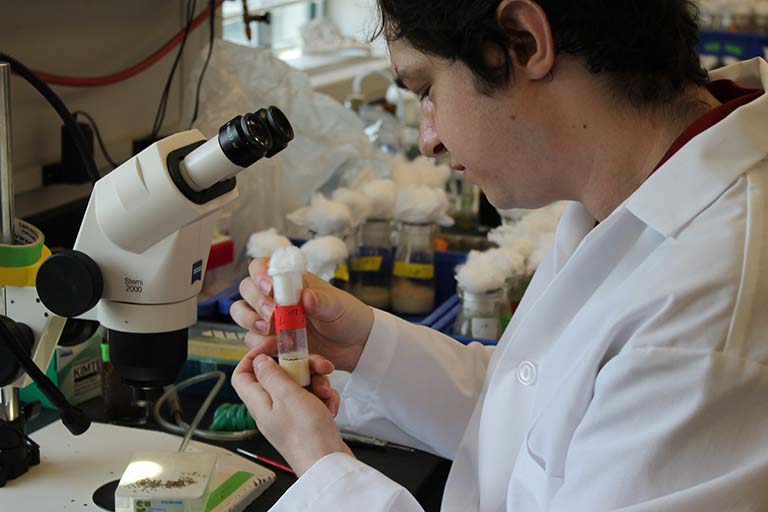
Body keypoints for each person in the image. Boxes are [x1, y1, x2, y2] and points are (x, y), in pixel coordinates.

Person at [230, 0, 768, 510]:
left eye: (426, 87)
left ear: (523, 40)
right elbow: (545, 406)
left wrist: (321, 466)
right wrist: (367, 345)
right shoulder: (631, 195)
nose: (428, 139)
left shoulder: (702, 319)